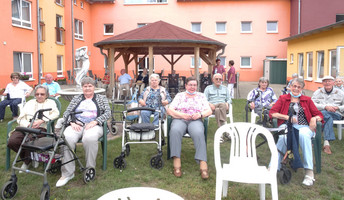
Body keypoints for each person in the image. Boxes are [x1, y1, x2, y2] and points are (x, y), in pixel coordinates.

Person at [56, 77, 111, 187]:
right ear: (82, 88)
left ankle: (90, 168)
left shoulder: (101, 98)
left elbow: (108, 113)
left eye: (90, 86)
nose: (87, 88)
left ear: (94, 87)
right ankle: (67, 173)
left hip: (94, 125)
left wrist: (96, 121)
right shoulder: (76, 98)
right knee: (67, 138)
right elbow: (67, 112)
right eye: (85, 86)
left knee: (89, 138)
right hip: (77, 124)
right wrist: (72, 122)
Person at [269, 78, 323, 186]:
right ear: (290, 87)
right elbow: (272, 113)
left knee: (303, 135)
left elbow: (319, 115)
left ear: (302, 89)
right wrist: (287, 117)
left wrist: (314, 119)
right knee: (283, 137)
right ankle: (273, 167)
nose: (296, 89)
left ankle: (309, 172)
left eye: (299, 87)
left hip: (304, 126)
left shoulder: (307, 100)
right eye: (294, 86)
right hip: (287, 125)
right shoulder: (283, 98)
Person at [167, 76, 212, 179]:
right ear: (186, 85)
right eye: (190, 85)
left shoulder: (201, 96)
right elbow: (170, 110)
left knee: (199, 133)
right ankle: (176, 162)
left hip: (195, 120)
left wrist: (200, 115)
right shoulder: (179, 95)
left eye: (195, 85)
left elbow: (209, 111)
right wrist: (182, 115)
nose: (192, 87)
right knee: (175, 130)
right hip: (180, 119)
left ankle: (203, 164)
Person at [7, 85, 60, 172]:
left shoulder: (51, 103)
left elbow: (56, 114)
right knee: (12, 141)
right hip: (25, 127)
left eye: (42, 94)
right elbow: (20, 118)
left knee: (29, 140)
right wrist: (28, 124)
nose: (39, 96)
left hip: (41, 128)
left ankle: (26, 163)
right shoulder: (29, 103)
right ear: (35, 94)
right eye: (37, 94)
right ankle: (31, 158)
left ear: (47, 95)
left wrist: (42, 120)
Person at [311, 75, 344, 155]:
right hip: (323, 113)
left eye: (329, 81)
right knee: (326, 116)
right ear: (322, 83)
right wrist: (325, 107)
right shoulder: (317, 92)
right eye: (325, 81)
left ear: (333, 83)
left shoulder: (340, 93)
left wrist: (337, 107)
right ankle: (326, 143)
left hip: (336, 114)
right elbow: (312, 104)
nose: (327, 83)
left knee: (324, 115)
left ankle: (314, 138)